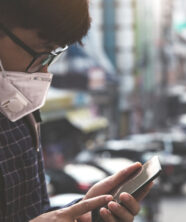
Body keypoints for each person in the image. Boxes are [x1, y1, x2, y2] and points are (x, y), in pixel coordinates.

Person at [0, 0, 153, 221]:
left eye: (52, 55)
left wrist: (80, 211)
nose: (43, 70)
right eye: (40, 53)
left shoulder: (19, 111)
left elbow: (32, 210)